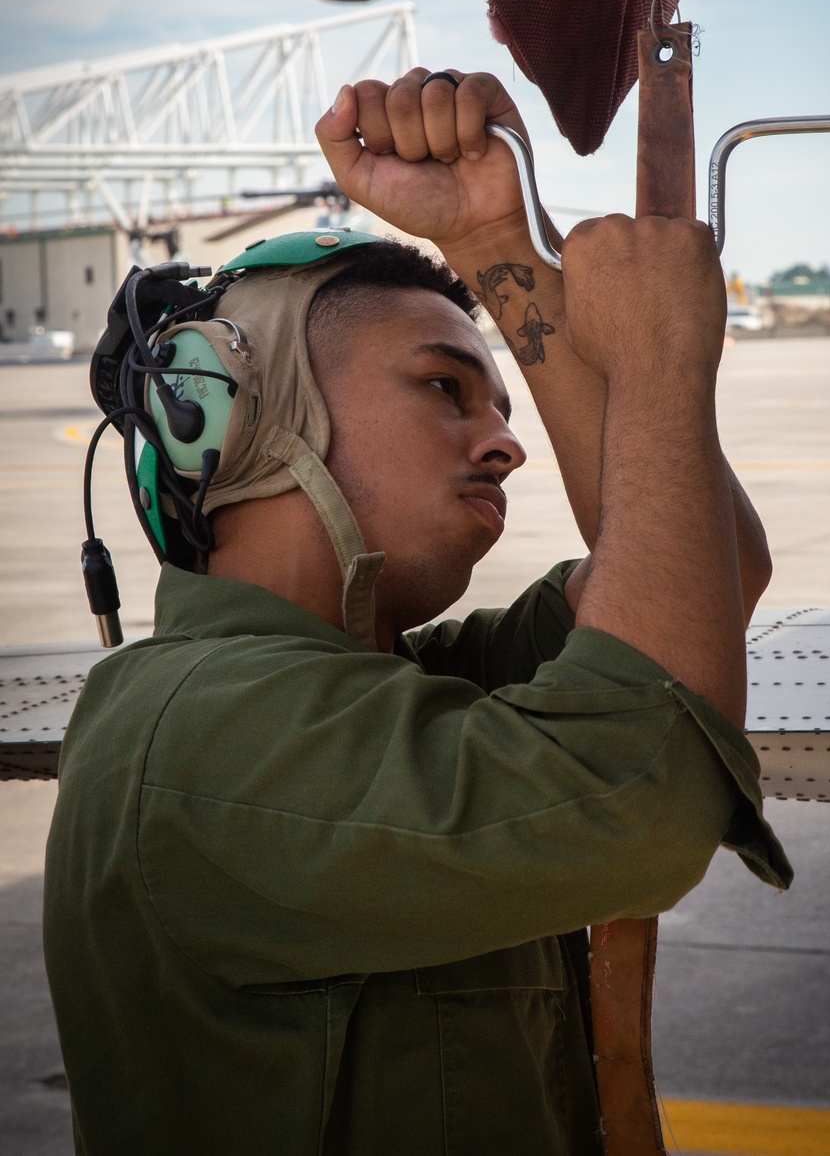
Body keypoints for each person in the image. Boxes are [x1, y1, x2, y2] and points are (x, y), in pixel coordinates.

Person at [44, 69, 790, 1156]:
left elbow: (709, 575)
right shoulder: (203, 729)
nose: (505, 441)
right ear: (231, 414)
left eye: (493, 401)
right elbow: (639, 790)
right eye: (445, 388)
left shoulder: (388, 688)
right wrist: (655, 360)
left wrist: (499, 241)